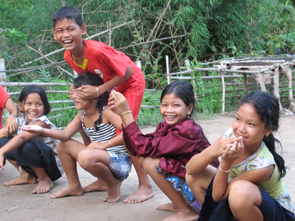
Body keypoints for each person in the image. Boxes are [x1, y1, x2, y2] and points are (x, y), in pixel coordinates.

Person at [51, 6, 153, 204]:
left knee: (126, 132)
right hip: (108, 87)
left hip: (130, 83)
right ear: (54, 33)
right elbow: (89, 79)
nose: (66, 35)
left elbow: (127, 73)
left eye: (71, 29)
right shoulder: (68, 56)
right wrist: (78, 90)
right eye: (60, 30)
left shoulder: (97, 50)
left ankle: (145, 185)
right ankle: (103, 178)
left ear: (83, 29)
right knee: (92, 122)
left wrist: (98, 91)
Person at [108, 81, 219, 220]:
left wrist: (126, 112)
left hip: (208, 196)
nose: (169, 110)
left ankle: (185, 211)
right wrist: (123, 115)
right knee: (145, 159)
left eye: (176, 105)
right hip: (193, 186)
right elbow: (140, 149)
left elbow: (143, 147)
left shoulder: (187, 130)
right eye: (165, 105)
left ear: (189, 108)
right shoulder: (165, 126)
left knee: (151, 163)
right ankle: (180, 203)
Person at [186, 90, 295, 221]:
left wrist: (225, 162)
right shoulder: (229, 136)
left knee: (239, 192)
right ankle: (216, 216)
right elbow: (190, 169)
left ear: (268, 130)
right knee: (195, 175)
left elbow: (219, 196)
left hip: (274, 213)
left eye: (251, 124)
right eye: (238, 119)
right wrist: (214, 151)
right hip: (234, 198)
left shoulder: (263, 165)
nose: (241, 129)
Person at [23, 73, 131, 202]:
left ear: (94, 96)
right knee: (63, 145)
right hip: (99, 157)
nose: (74, 96)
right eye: (73, 93)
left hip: (120, 162)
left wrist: (104, 145)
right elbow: (64, 134)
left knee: (86, 156)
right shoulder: (82, 116)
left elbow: (129, 132)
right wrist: (41, 130)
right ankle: (74, 186)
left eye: (78, 93)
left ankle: (112, 183)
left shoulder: (106, 112)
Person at [0, 85, 64, 194]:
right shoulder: (21, 121)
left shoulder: (42, 122)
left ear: (45, 106)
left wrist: (1, 151)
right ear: (20, 105)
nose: (33, 108)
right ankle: (27, 175)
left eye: (38, 104)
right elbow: (3, 133)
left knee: (25, 144)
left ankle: (45, 179)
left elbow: (22, 137)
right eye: (28, 104)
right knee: (3, 140)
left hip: (52, 166)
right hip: (36, 162)